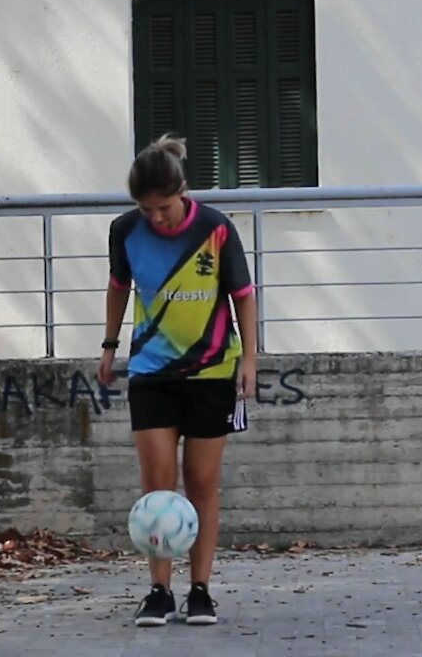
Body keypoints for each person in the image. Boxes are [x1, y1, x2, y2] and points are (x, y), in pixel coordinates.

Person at [97, 134, 257, 627]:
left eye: (163, 207)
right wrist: (108, 347)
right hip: (151, 374)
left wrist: (250, 357)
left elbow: (244, 296)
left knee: (202, 485)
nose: (156, 218)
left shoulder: (216, 228)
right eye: (146, 209)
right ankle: (159, 590)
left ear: (182, 191)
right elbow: (119, 289)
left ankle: (201, 590)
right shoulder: (124, 231)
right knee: (157, 487)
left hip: (212, 372)